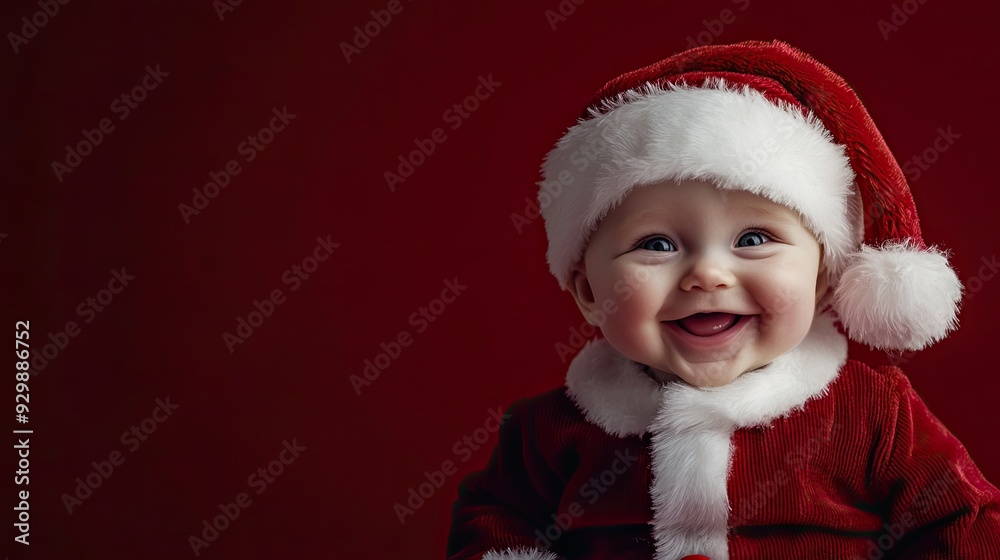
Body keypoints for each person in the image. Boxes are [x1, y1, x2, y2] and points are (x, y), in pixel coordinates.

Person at [445, 40, 1000, 560]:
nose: (708, 274)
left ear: (823, 279)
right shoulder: (549, 430)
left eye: (753, 239)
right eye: (655, 244)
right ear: (588, 293)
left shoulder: (873, 414)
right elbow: (493, 522)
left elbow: (966, 523)